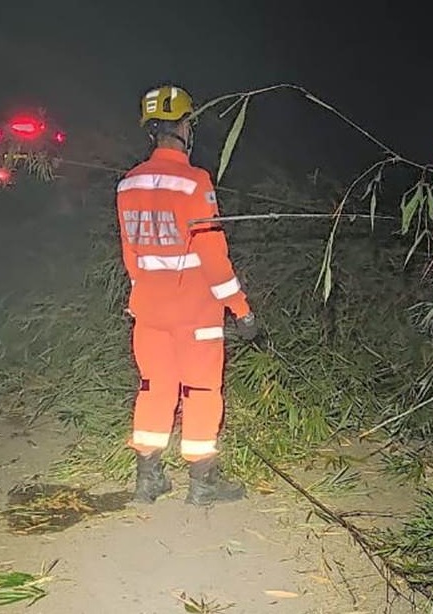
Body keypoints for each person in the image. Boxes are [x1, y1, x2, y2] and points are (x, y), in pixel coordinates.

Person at [115, 84, 259, 506]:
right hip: (195, 313)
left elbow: (132, 257)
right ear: (183, 127)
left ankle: (148, 480)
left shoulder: (127, 185)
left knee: (153, 388)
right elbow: (214, 259)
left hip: (148, 311)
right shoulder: (196, 182)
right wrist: (242, 311)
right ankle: (202, 485)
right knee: (200, 392)